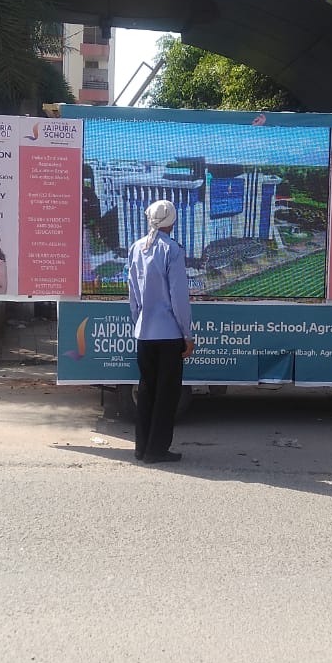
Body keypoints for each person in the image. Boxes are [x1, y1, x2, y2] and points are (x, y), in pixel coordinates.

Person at [127, 199, 195, 464]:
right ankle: (156, 450)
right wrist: (187, 334)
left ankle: (141, 447)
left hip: (144, 333)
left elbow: (133, 295)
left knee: (146, 391)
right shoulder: (173, 250)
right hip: (169, 335)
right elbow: (179, 298)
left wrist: (139, 322)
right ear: (172, 221)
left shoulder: (136, 248)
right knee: (166, 395)